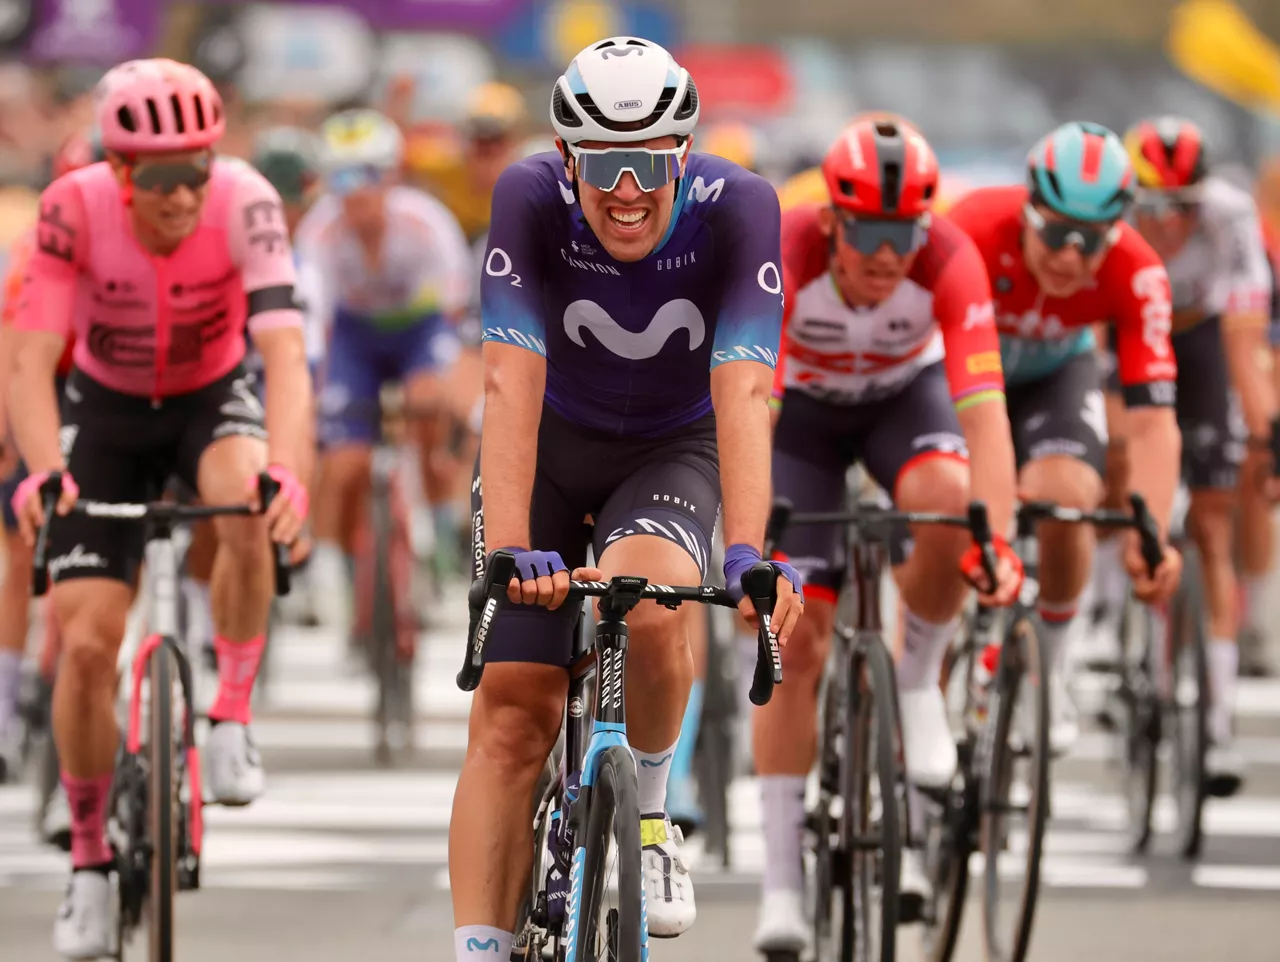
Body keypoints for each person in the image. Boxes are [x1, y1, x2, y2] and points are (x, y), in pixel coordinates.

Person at [448, 36, 803, 960]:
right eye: (604, 165)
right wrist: (515, 545)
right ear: (567, 159)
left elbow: (745, 388)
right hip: (549, 449)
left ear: (682, 152)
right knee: (515, 716)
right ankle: (479, 948)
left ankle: (647, 819)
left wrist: (751, 551)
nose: (629, 191)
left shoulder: (742, 208)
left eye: (649, 162)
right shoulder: (527, 196)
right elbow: (508, 383)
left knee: (649, 614)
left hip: (669, 452)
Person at [7, 58, 311, 959]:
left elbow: (284, 355)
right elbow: (29, 361)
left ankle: (230, 717)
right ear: (119, 169)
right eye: (162, 176)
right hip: (103, 412)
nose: (184, 194)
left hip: (208, 395)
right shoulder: (73, 207)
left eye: (198, 169)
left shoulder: (245, 201)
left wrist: (288, 469)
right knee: (88, 638)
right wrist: (36, 470)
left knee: (247, 497)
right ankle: (92, 867)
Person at [752, 115, 1024, 953]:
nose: (885, 253)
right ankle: (783, 884)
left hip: (904, 406)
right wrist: (751, 545)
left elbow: (984, 416)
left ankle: (914, 682)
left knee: (950, 499)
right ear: (833, 219)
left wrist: (999, 540)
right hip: (794, 422)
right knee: (790, 640)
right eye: (867, 230)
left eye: (902, 231)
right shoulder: (786, 247)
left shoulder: (946, 257)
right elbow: (749, 404)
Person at [946, 121, 1184, 754]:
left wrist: (1153, 534)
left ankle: (1049, 668)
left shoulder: (1138, 273)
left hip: (1056, 374)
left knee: (1067, 496)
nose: (1070, 256)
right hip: (968, 375)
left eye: (1091, 241)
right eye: (1055, 233)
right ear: (1027, 211)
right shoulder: (971, 227)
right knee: (944, 503)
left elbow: (1155, 421)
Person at [1092, 117, 1274, 790]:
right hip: (1126, 329)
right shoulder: (1113, 219)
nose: (1169, 222)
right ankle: (1109, 618)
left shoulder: (1231, 218)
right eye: (1155, 205)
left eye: (1183, 206)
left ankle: (1218, 723)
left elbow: (1245, 340)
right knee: (1115, 457)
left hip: (1199, 341)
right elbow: (1089, 341)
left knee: (1214, 521)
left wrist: (1266, 429)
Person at [300, 108, 473, 631]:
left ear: (391, 176)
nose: (355, 191)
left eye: (368, 175)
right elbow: (314, 321)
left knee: (428, 411)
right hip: (355, 337)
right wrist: (312, 388)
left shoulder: (424, 222)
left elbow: (454, 306)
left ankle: (441, 538)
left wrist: (443, 387)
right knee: (347, 460)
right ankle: (334, 572)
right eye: (341, 178)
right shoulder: (320, 232)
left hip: (419, 329)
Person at [0, 128, 101, 797]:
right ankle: (6, 706)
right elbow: (13, 358)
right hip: (46, 379)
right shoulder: (32, 254)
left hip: (107, 391)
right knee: (21, 545)